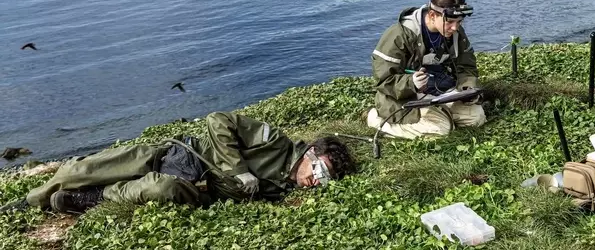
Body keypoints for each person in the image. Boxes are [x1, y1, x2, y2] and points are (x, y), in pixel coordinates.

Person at [3, 111, 355, 215]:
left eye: (324, 181)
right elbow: (218, 121)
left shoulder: (285, 191)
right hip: (177, 154)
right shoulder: (274, 141)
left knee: (158, 188)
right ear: (310, 153)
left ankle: (90, 199)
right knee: (76, 170)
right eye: (319, 171)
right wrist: (239, 170)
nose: (316, 181)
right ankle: (27, 203)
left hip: (195, 188)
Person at [366, 0, 486, 139]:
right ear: (432, 15)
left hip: (443, 92)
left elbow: (466, 66)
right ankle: (375, 120)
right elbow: (383, 80)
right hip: (407, 97)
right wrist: (411, 83)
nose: (455, 28)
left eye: (459, 22)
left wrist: (466, 88)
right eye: (450, 22)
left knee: (476, 118)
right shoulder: (399, 35)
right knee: (440, 131)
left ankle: (441, 114)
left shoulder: (455, 33)